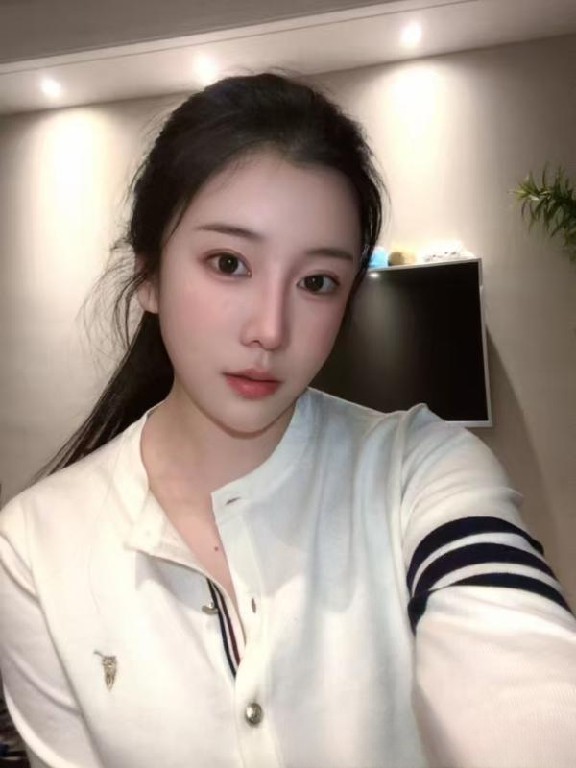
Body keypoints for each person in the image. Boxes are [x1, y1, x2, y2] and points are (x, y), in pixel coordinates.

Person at [1, 72, 575, 768]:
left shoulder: (417, 469)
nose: (271, 330)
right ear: (148, 274)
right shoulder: (34, 548)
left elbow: (515, 663)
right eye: (229, 263)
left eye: (317, 282)